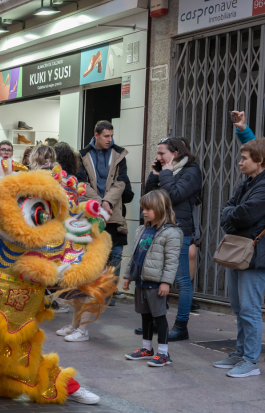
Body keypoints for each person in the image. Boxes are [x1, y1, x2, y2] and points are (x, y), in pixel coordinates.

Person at [213, 137, 265, 378]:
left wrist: (231, 214)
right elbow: (228, 210)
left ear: (260, 160)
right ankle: (240, 353)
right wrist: (232, 214)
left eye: (244, 158)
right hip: (238, 252)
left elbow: (243, 215)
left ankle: (250, 361)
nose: (239, 162)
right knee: (238, 307)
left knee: (250, 310)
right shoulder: (247, 183)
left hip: (254, 257)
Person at [144, 137, 202, 341]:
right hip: (160, 230)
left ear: (175, 153)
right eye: (157, 153)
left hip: (180, 231)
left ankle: (181, 326)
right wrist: (154, 175)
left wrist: (166, 173)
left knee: (182, 279)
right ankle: (156, 323)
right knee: (157, 279)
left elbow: (173, 195)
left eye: (162, 154)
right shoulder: (165, 171)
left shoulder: (191, 171)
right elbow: (149, 198)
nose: (158, 157)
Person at [122, 190, 183, 368]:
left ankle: (163, 353)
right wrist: (127, 276)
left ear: (160, 209)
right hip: (141, 281)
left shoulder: (171, 233)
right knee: (145, 316)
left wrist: (165, 282)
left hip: (156, 283)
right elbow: (134, 256)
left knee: (159, 317)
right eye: (143, 208)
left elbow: (172, 261)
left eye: (148, 208)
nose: (144, 212)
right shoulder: (142, 229)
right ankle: (147, 349)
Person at [77, 120, 132, 310]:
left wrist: (108, 201)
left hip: (114, 212)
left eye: (112, 135)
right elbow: (82, 184)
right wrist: (101, 203)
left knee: (115, 254)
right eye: (106, 136)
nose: (110, 139)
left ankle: (109, 291)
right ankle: (94, 290)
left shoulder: (119, 154)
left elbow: (122, 182)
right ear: (96, 135)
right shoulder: (83, 155)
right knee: (94, 253)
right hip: (93, 211)